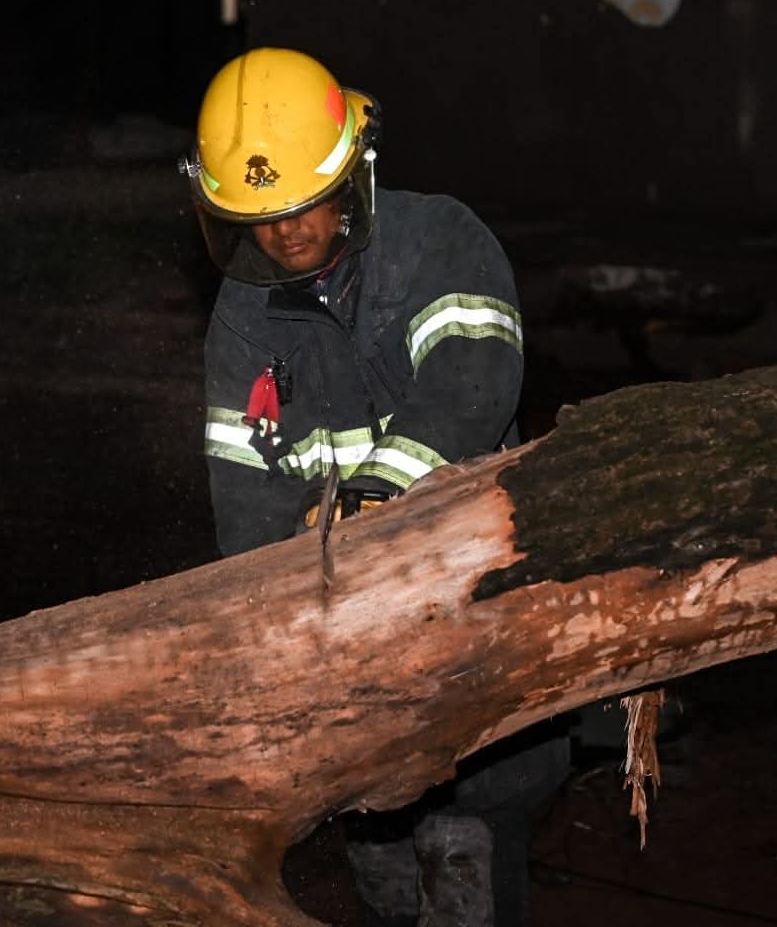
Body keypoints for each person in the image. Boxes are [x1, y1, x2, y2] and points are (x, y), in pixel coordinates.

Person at [181, 46, 566, 925]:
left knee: (468, 847)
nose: (284, 233)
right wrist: (263, 617)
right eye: (260, 217)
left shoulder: (438, 240)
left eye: (304, 203)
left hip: (469, 595)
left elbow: (471, 384)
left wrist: (367, 508)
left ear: (351, 175)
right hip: (348, 640)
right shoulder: (245, 312)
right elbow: (242, 485)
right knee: (382, 862)